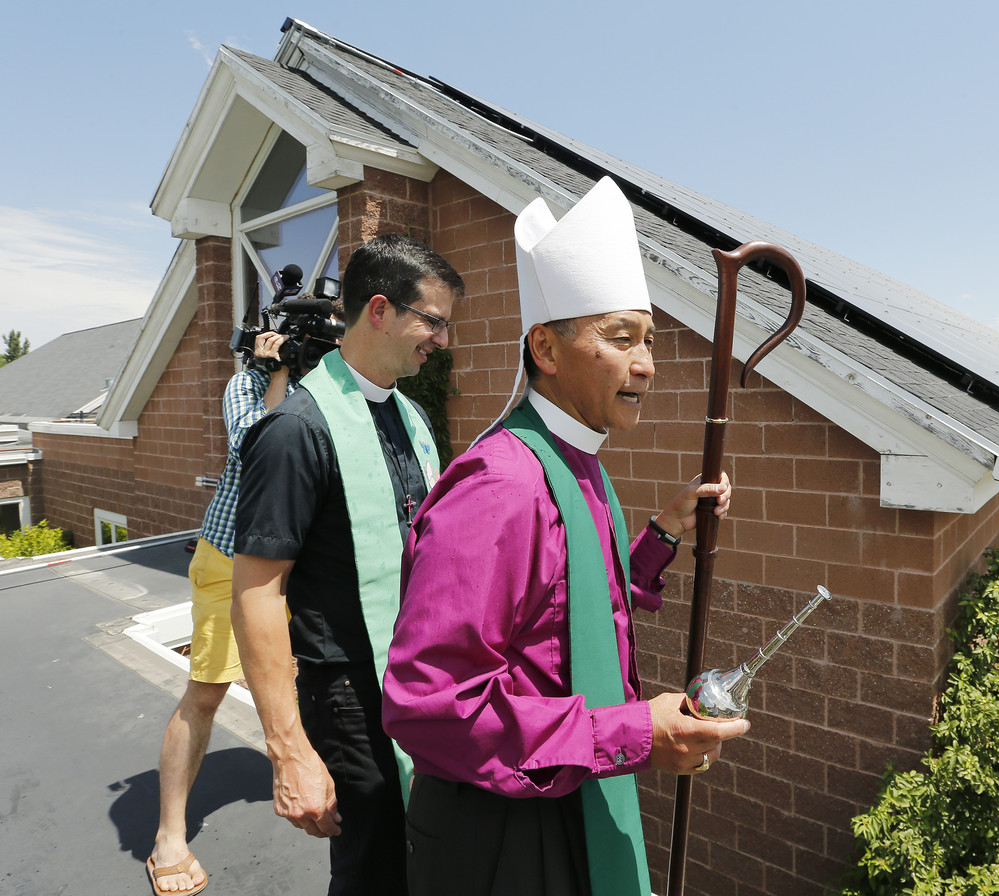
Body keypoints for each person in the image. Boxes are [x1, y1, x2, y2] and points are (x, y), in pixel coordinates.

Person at [383, 177, 750, 896]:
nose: (645, 363)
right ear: (545, 349)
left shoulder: (576, 463)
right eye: (620, 339)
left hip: (563, 791)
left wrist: (662, 536)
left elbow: (574, 602)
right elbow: (429, 703)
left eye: (649, 341)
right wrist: (635, 734)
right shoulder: (501, 484)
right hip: (503, 837)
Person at [230, 233, 463, 896]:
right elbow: (255, 594)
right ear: (382, 311)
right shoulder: (297, 428)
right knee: (375, 873)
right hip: (350, 701)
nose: (442, 341)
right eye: (434, 322)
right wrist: (289, 751)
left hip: (419, 688)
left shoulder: (412, 417)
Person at [147, 331, 296, 896]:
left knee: (295, 680)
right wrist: (277, 371)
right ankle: (168, 836)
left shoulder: (326, 386)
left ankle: (298, 774)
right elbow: (259, 444)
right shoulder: (247, 385)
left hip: (291, 564)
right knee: (207, 690)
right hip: (230, 556)